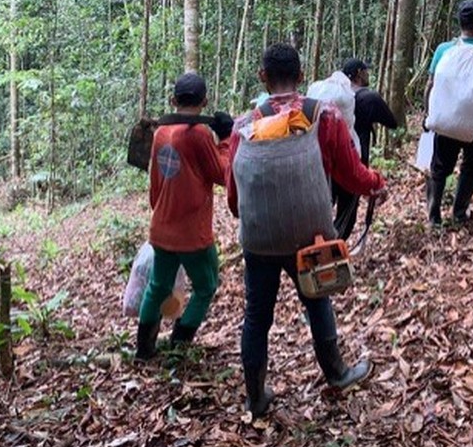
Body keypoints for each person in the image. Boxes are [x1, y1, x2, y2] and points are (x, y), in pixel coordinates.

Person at [226, 43, 387, 418]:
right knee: (317, 300)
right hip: (310, 235)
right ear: (301, 77)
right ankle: (337, 373)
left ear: (262, 77)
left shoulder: (243, 127)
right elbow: (351, 174)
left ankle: (255, 396)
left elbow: (235, 196)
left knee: (257, 315)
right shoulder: (323, 117)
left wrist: (250, 217)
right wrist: (377, 182)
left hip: (260, 239)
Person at [136, 72, 233, 362]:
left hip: (163, 228)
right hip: (192, 234)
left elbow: (155, 184)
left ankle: (144, 350)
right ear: (204, 102)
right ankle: (179, 344)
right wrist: (227, 138)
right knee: (206, 286)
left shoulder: (161, 132)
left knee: (158, 286)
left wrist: (161, 213)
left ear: (173, 100)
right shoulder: (199, 134)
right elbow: (222, 173)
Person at [423, 0, 473, 225]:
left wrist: (427, 113)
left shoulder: (443, 50)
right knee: (470, 168)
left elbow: (431, 85)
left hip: (445, 122)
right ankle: (459, 213)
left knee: (439, 168)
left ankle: (434, 217)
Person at [333, 58, 398, 239]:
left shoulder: (335, 98)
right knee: (346, 216)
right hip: (354, 161)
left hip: (328, 161)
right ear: (360, 73)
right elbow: (392, 122)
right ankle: (329, 256)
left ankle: (320, 254)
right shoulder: (369, 98)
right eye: (366, 71)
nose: (368, 74)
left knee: (323, 213)